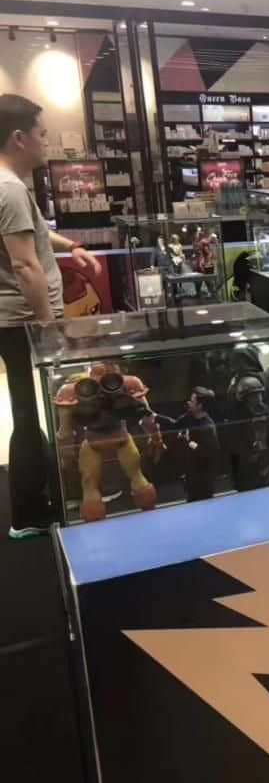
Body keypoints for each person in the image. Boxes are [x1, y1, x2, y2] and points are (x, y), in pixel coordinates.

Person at [0, 94, 102, 537]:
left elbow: (37, 235)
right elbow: (25, 265)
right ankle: (29, 514)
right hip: (24, 322)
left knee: (32, 408)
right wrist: (47, 326)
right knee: (29, 412)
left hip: (17, 321)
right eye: (41, 134)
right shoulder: (9, 190)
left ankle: (41, 499)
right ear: (18, 138)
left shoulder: (10, 187)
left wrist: (71, 246)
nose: (46, 142)